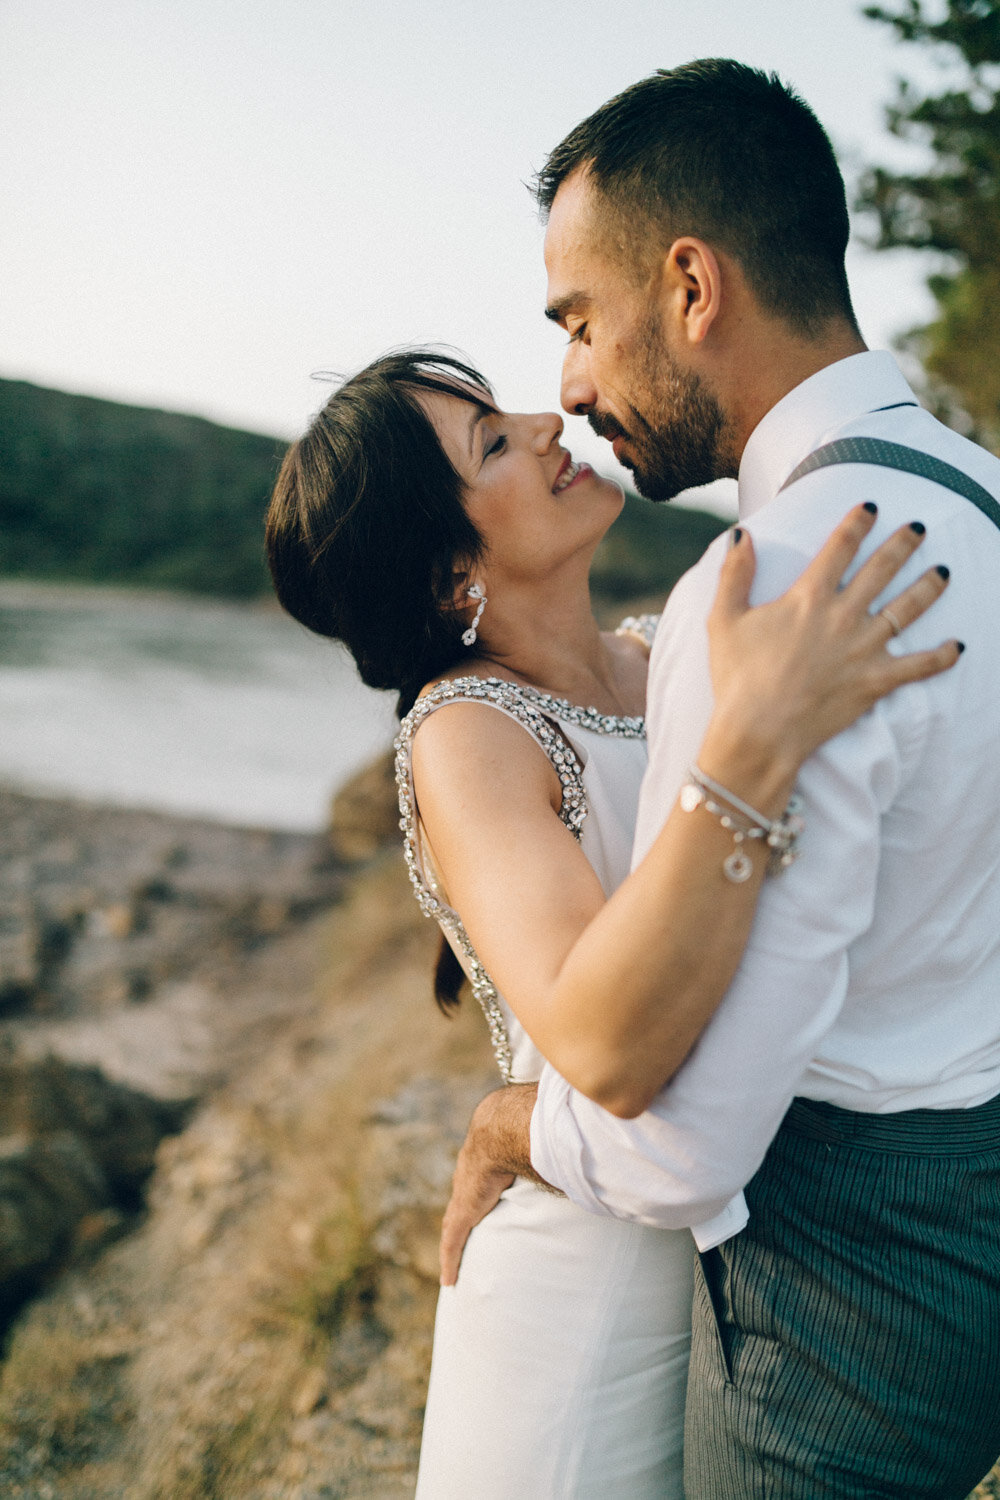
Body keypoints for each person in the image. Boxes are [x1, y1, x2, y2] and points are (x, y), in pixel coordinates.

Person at [445, 60, 1000, 1499]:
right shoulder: (981, 498)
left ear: (691, 286)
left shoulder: (767, 589)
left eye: (578, 320)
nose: (569, 386)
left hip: (838, 1308)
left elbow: (686, 1148)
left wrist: (516, 1122)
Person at [265, 347, 959, 1498]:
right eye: (491, 441)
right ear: (447, 575)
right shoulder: (465, 732)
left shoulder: (669, 652)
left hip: (741, 1258)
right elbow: (602, 1037)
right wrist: (757, 740)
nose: (546, 421)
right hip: (581, 1304)